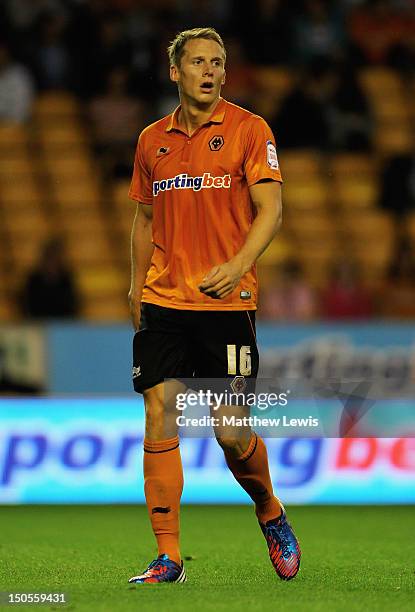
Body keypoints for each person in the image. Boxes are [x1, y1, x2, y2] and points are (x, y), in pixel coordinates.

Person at [127, 27, 300, 585]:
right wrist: (136, 287)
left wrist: (238, 264)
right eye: (197, 61)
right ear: (174, 71)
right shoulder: (151, 139)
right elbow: (145, 219)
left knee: (229, 432)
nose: (209, 70)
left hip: (228, 302)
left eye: (218, 62)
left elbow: (270, 209)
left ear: (225, 72)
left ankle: (269, 509)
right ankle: (169, 556)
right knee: (158, 408)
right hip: (164, 298)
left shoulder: (251, 130)